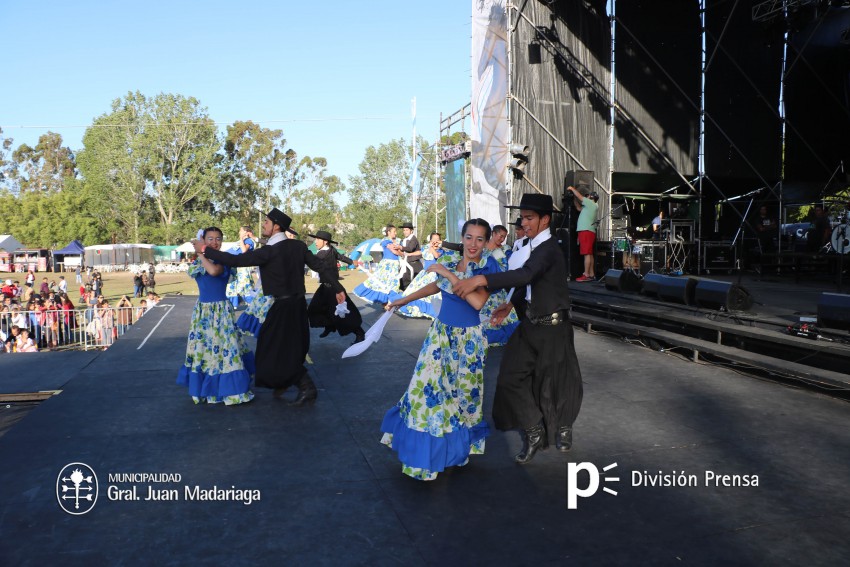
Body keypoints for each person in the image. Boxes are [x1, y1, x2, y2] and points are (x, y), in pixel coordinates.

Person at [453, 193, 584, 464]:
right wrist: (511, 305)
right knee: (510, 379)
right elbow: (527, 282)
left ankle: (563, 428)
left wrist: (482, 278)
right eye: (522, 218)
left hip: (555, 329)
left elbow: (526, 274)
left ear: (545, 220)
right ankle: (534, 430)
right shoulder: (530, 246)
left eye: (529, 218)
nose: (523, 223)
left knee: (558, 383)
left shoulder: (549, 249)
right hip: (529, 325)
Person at [380, 218, 499, 481]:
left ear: (486, 241)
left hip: (468, 342)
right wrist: (403, 299)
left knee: (462, 399)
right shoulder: (449, 262)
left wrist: (449, 274)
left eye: (480, 239)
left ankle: (455, 452)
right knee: (425, 393)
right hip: (440, 338)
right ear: (463, 237)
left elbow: (478, 302)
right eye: (469, 237)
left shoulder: (489, 267)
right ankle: (423, 461)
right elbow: (437, 286)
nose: (473, 244)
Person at [195, 208, 346, 405]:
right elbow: (321, 267)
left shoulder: (269, 251)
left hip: (284, 306)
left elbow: (236, 260)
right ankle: (284, 381)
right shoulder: (297, 246)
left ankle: (305, 386)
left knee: (272, 348)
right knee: (281, 347)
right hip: (297, 305)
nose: (264, 224)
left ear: (276, 226)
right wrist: (338, 288)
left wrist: (205, 249)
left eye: (266, 222)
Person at [177, 227, 255, 406]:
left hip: (221, 312)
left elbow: (213, 272)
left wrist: (201, 252)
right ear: (203, 239)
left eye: (218, 238)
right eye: (210, 239)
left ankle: (230, 390)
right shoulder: (198, 263)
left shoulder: (222, 259)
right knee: (205, 351)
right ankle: (207, 390)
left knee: (225, 350)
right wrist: (201, 255)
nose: (215, 242)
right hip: (202, 313)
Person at [307, 230, 366, 344]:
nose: (316, 242)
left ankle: (359, 333)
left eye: (318, 240)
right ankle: (329, 326)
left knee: (344, 313)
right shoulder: (331, 250)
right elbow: (341, 257)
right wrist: (351, 262)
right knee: (317, 308)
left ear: (325, 242)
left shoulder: (321, 254)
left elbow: (313, 262)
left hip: (334, 288)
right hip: (325, 287)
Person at [390, 232, 444, 319]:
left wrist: (432, 248)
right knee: (415, 291)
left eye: (438, 239)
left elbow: (436, 256)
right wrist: (409, 254)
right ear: (430, 240)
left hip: (434, 275)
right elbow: (419, 252)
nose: (436, 241)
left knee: (431, 295)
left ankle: (431, 311)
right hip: (424, 274)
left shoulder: (441, 250)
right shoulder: (426, 247)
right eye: (434, 239)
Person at [353, 225, 401, 304]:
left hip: (395, 264)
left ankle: (388, 301)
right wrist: (401, 252)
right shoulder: (385, 241)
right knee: (381, 281)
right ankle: (384, 302)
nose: (395, 233)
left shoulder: (397, 241)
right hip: (387, 264)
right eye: (394, 231)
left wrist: (400, 251)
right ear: (388, 232)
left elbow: (399, 250)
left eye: (396, 231)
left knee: (392, 283)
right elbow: (394, 250)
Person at [567, 185, 599, 282]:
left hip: (586, 231)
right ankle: (591, 274)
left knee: (586, 253)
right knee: (589, 253)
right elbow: (578, 208)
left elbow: (580, 197)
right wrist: (574, 199)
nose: (587, 197)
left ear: (591, 197)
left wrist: (572, 189)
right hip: (588, 231)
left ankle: (586, 274)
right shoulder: (590, 206)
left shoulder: (590, 203)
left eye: (588, 196)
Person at [225, 226, 256, 309]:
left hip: (242, 267)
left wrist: (241, 238)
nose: (239, 232)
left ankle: (252, 303)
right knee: (232, 286)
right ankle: (233, 304)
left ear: (246, 232)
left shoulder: (249, 241)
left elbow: (244, 251)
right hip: (234, 266)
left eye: (241, 231)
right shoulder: (240, 241)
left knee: (245, 286)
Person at [398, 222, 423, 291]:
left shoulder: (413, 239)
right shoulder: (403, 240)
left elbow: (410, 248)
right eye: (404, 230)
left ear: (411, 231)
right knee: (404, 281)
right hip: (406, 263)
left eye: (407, 230)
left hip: (414, 264)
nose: (405, 232)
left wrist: (401, 247)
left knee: (414, 283)